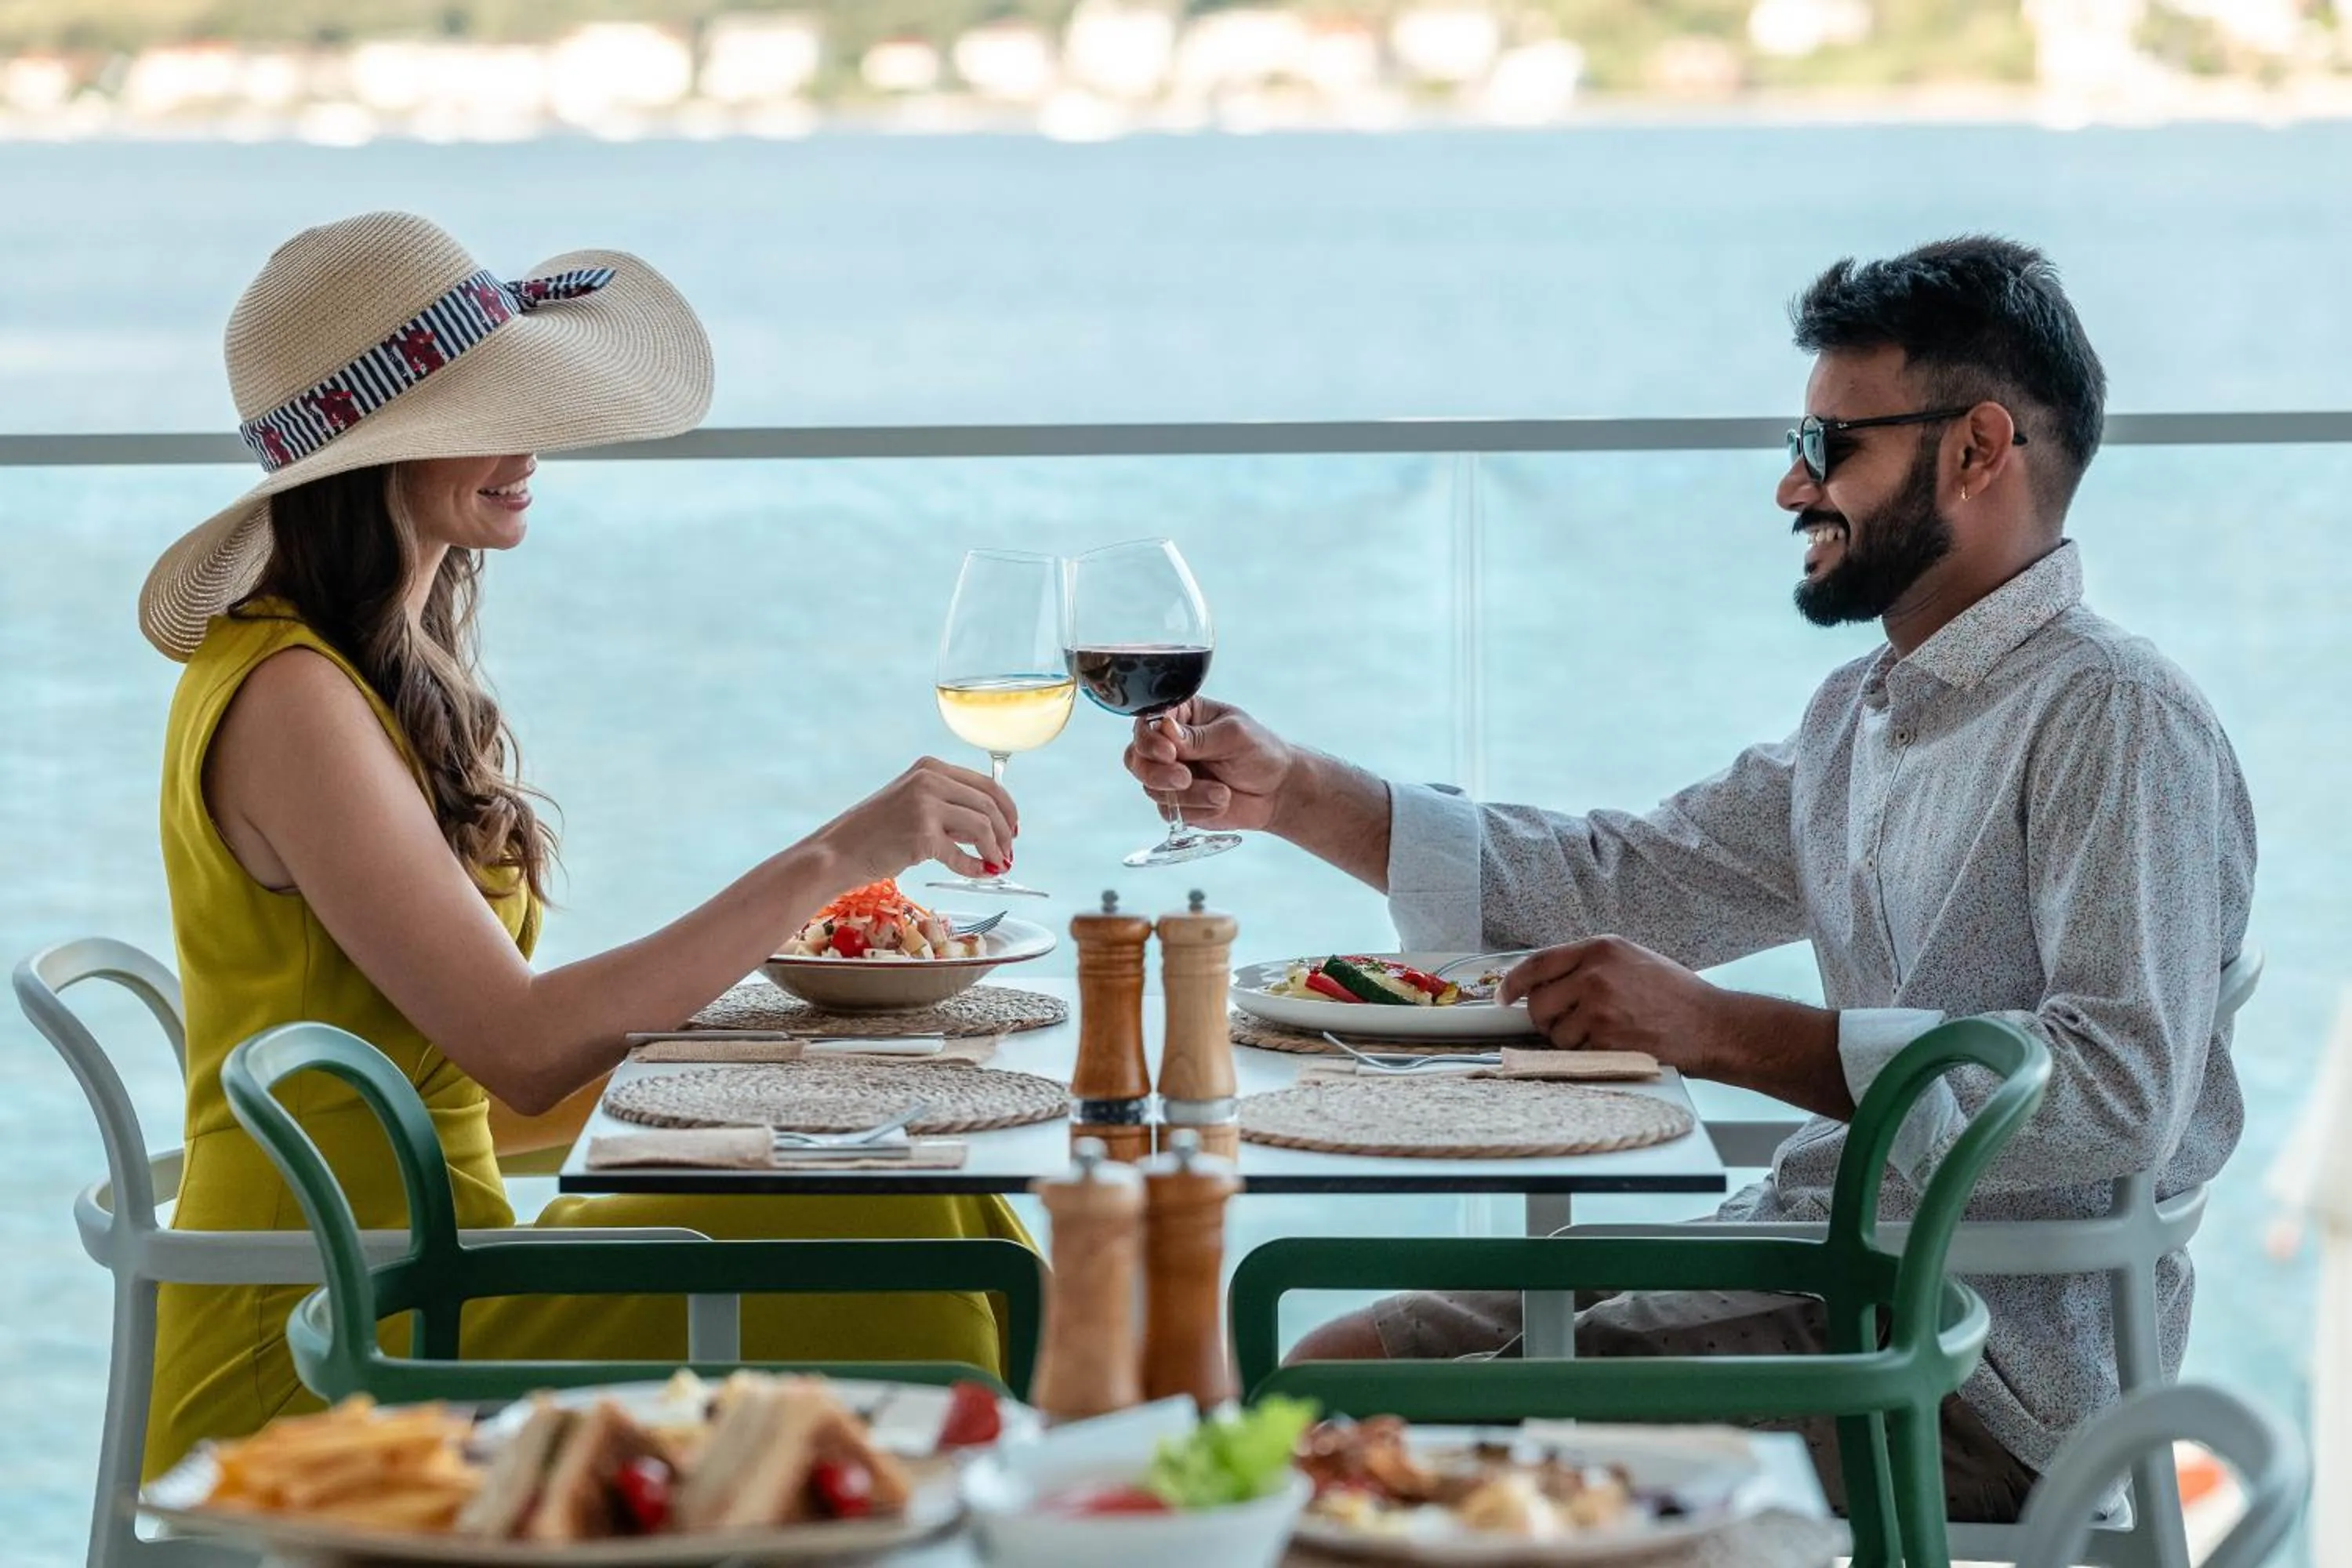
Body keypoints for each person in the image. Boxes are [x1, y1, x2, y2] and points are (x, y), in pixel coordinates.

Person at [1123, 235, 2254, 1520]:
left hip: (1974, 1366)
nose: (1790, 485)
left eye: (1833, 447)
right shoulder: (1865, 716)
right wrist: (1301, 793)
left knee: (1404, 1452)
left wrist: (1721, 1033)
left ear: (1979, 449)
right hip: (1813, 1255)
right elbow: (1627, 883)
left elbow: (2116, 1092)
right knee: (1318, 1370)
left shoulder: (2115, 716)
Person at [141, 212, 1031, 1478]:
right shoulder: (290, 698)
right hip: (333, 1326)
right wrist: (835, 857)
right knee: (902, 1229)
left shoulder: (357, 671)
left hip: (432, 1265)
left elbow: (481, 1088)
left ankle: (1071, 1503)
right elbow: (520, 1044)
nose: (529, 445)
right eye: (487, 410)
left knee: (915, 1183)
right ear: (375, 457)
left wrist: (759, 1073)